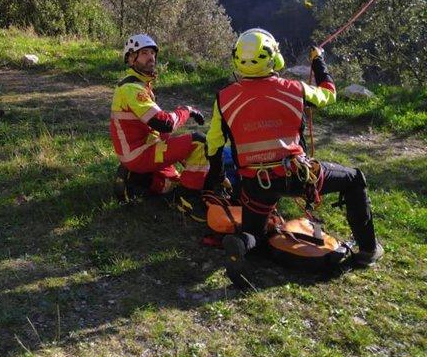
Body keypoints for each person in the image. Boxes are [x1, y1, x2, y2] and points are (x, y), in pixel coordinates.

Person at [202, 28, 383, 286]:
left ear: (236, 59)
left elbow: (214, 144)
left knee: (256, 234)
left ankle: (242, 243)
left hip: (255, 185)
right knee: (354, 179)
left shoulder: (224, 98)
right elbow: (328, 94)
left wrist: (217, 176)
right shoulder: (295, 89)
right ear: (273, 57)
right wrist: (318, 61)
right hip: (297, 176)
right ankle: (367, 250)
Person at [110, 33, 209, 199]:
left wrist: (177, 147)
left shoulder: (139, 84)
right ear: (131, 59)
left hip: (140, 150)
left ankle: (135, 180)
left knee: (173, 182)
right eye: (144, 53)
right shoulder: (132, 89)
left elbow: (158, 128)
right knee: (199, 142)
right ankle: (190, 199)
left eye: (152, 53)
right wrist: (187, 110)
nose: (151, 57)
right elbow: (165, 123)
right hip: (140, 154)